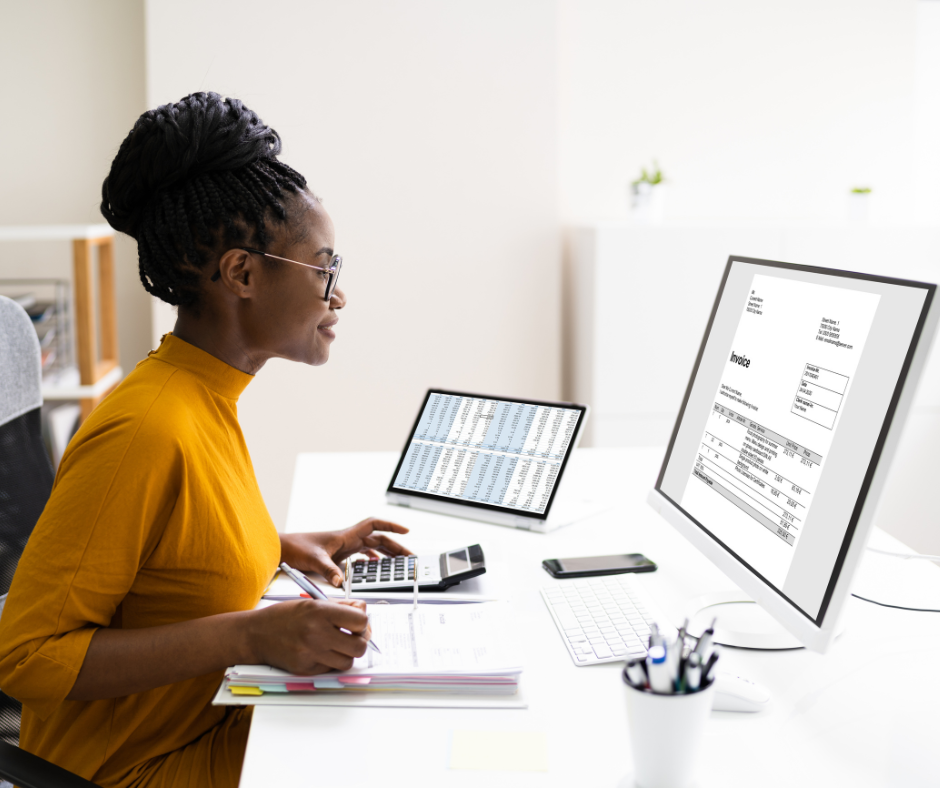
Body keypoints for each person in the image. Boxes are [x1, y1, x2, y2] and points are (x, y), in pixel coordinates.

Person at [0, 92, 410, 787]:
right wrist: (250, 634)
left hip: (208, 726)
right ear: (242, 275)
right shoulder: (147, 427)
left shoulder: (205, 397)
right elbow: (25, 656)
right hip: (135, 770)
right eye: (325, 270)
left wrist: (279, 545)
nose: (338, 297)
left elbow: (168, 558)